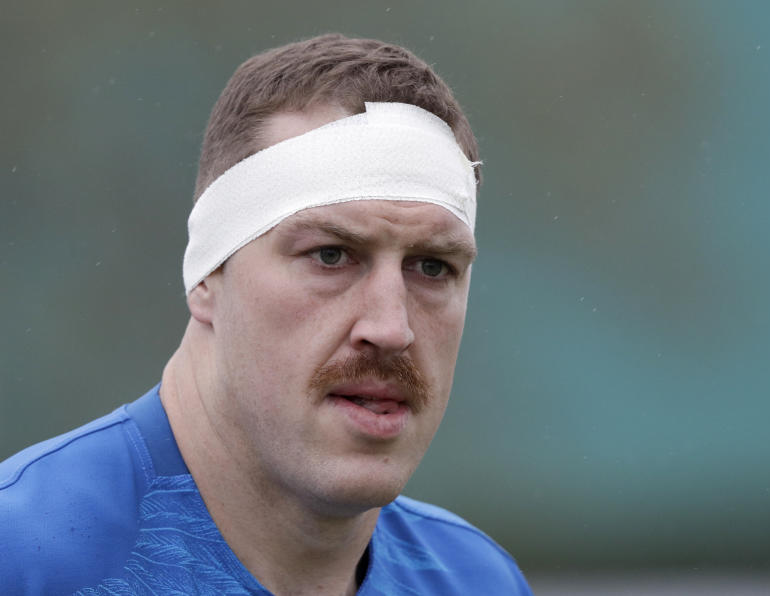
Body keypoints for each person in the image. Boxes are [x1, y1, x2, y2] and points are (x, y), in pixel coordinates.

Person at [0, 33, 532, 595]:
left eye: (431, 266)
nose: (390, 328)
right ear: (207, 273)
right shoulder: (22, 559)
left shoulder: (476, 579)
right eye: (331, 255)